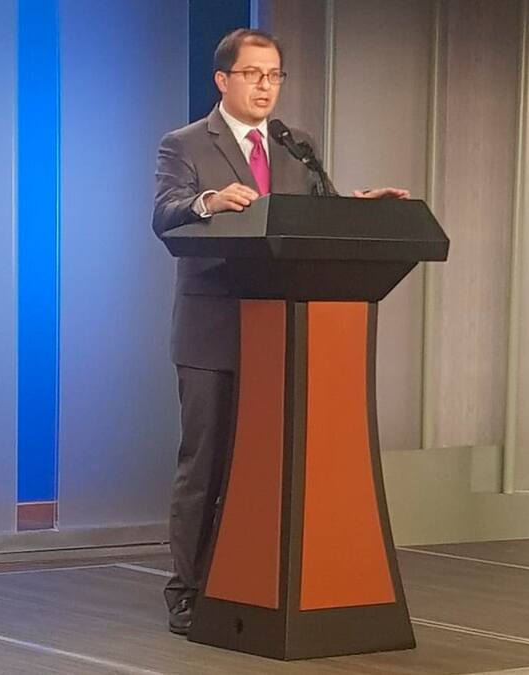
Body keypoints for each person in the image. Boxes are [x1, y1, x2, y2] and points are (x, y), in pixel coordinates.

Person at [151, 28, 409, 636]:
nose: (265, 86)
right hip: (215, 331)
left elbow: (316, 216)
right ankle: (187, 589)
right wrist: (209, 201)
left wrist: (362, 209)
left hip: (285, 337)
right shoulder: (185, 144)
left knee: (273, 467)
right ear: (223, 80)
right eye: (253, 74)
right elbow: (165, 214)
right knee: (206, 464)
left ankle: (251, 580)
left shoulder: (296, 145)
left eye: (274, 76)